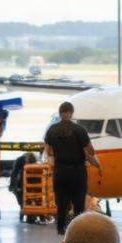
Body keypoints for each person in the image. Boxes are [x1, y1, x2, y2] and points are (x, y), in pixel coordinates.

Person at [43, 101, 100, 235]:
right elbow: (91, 151)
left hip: (60, 172)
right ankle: (77, 230)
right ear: (71, 113)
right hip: (77, 172)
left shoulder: (52, 130)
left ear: (60, 113)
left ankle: (60, 229)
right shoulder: (79, 130)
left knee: (61, 203)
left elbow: (48, 151)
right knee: (78, 203)